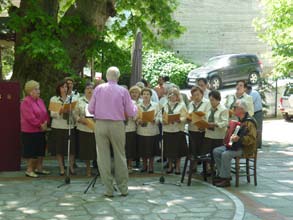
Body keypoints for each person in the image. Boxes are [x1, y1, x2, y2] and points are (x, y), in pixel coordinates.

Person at [88, 66, 137, 197]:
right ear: (118, 77)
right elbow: (131, 112)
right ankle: (123, 188)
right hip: (117, 124)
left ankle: (108, 189)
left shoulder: (98, 89)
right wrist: (135, 107)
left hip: (100, 124)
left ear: (107, 76)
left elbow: (91, 109)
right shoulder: (123, 90)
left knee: (103, 157)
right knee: (120, 155)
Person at [213, 99, 257, 187]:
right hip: (235, 146)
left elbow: (252, 138)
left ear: (241, 109)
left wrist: (239, 139)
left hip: (245, 148)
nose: (233, 109)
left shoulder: (250, 122)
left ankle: (225, 179)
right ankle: (223, 175)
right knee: (216, 151)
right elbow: (232, 133)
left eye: (235, 107)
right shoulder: (238, 120)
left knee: (226, 154)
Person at [20, 80, 50, 178]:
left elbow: (45, 113)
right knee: (32, 152)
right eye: (36, 89)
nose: (39, 91)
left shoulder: (40, 100)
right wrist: (40, 125)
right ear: (30, 91)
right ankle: (29, 170)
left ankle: (39, 168)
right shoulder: (25, 102)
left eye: (38, 89)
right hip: (30, 131)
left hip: (41, 130)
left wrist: (45, 123)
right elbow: (30, 117)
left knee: (40, 150)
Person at [49, 80, 76, 176]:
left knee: (71, 149)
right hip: (58, 127)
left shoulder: (71, 98)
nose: (64, 89)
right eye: (62, 87)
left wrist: (71, 112)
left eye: (65, 87)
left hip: (69, 127)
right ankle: (61, 168)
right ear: (58, 88)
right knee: (59, 149)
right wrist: (60, 112)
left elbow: (75, 113)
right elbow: (52, 114)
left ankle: (71, 167)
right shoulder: (54, 99)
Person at [162, 88, 188, 174]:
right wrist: (163, 120)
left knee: (178, 150)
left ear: (177, 96)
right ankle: (170, 166)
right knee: (168, 149)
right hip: (167, 130)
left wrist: (179, 119)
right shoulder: (165, 105)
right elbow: (160, 116)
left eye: (174, 94)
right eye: (170, 94)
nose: (172, 96)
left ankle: (177, 167)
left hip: (177, 130)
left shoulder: (181, 105)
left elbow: (185, 117)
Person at [74, 82, 97, 177]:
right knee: (86, 151)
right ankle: (88, 169)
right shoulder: (79, 101)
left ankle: (98, 169)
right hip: (83, 129)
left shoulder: (98, 100)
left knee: (96, 150)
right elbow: (74, 113)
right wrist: (79, 119)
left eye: (91, 88)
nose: (89, 90)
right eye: (87, 88)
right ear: (84, 90)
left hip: (95, 129)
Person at [136, 88, 161, 173]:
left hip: (152, 130)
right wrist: (138, 120)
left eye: (147, 94)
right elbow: (135, 117)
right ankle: (144, 165)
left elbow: (159, 116)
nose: (146, 95)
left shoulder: (156, 105)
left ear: (151, 96)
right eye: (144, 94)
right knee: (143, 149)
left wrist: (156, 120)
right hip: (142, 130)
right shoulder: (138, 106)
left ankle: (151, 165)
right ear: (141, 96)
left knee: (152, 149)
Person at [187, 86, 210, 172]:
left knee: (203, 149)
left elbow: (208, 116)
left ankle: (206, 168)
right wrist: (188, 118)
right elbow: (188, 114)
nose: (196, 97)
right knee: (193, 149)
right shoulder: (191, 104)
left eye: (198, 94)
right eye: (194, 95)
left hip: (202, 130)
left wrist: (203, 123)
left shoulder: (207, 103)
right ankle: (193, 166)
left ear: (202, 94)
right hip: (192, 129)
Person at [202, 90, 229, 161]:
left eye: (212, 100)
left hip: (218, 136)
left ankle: (215, 169)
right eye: (210, 100)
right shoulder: (209, 108)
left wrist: (216, 124)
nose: (211, 102)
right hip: (208, 134)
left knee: (216, 154)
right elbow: (205, 118)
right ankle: (207, 170)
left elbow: (225, 122)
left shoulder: (223, 109)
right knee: (208, 153)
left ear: (218, 99)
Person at [125, 86, 141, 173]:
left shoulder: (133, 103)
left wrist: (131, 115)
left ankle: (130, 165)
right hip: (120, 128)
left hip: (130, 128)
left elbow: (136, 116)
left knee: (130, 148)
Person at [245, 84, 263, 148]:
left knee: (258, 129)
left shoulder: (254, 93)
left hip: (257, 113)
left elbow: (249, 103)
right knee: (251, 128)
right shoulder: (248, 94)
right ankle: (252, 143)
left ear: (247, 89)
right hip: (252, 113)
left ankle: (258, 145)